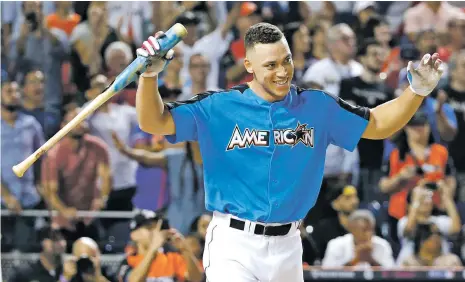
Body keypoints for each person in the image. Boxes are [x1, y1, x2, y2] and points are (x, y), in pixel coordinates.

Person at [135, 22, 444, 282]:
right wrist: (149, 77)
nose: (282, 72)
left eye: (287, 60)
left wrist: (416, 91)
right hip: (234, 244)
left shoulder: (316, 105)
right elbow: (154, 121)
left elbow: (377, 124)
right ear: (249, 66)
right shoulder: (218, 106)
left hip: (288, 245)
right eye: (270, 65)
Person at [116, 210, 203, 282]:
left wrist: (185, 250)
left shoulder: (172, 258)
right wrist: (153, 248)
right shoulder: (129, 261)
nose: (156, 232)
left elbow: (196, 279)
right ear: (134, 235)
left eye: (158, 228)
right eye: (149, 228)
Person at [321, 209, 395, 268]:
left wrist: (371, 260)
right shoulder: (336, 244)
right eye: (364, 230)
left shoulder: (382, 245)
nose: (369, 234)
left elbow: (392, 275)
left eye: (371, 229)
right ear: (352, 229)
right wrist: (355, 260)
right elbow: (327, 274)